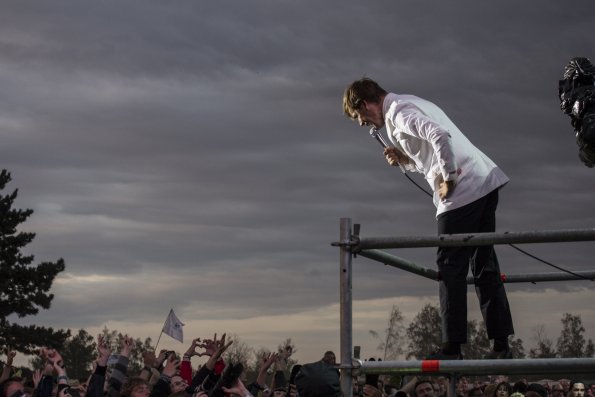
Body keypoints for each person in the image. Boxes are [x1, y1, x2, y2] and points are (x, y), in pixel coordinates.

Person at [343, 77, 515, 359]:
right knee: (484, 263)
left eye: (358, 115)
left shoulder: (398, 113)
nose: (362, 122)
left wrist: (448, 178)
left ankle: (453, 347)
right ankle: (500, 344)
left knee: (449, 266)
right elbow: (428, 154)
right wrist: (404, 159)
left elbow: (439, 136)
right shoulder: (409, 101)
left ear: (364, 104)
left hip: (462, 191)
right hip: (484, 180)